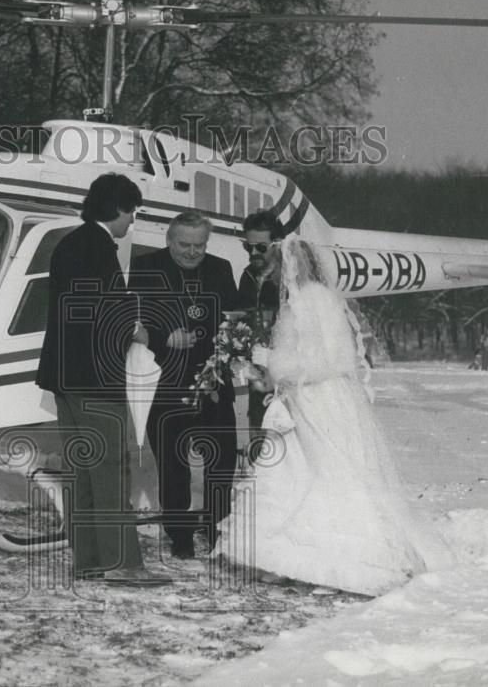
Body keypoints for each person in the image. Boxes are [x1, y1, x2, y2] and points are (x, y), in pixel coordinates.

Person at [215, 237, 452, 596]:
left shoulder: (314, 301)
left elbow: (331, 359)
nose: (273, 273)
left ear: (291, 266)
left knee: (327, 471)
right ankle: (276, 555)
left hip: (320, 398)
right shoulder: (302, 300)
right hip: (303, 396)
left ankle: (320, 553)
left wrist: (277, 371)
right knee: (295, 469)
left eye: (277, 266)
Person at [35, 173, 165, 585]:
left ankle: (89, 560)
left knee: (82, 472)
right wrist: (140, 328)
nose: (132, 222)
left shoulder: (68, 244)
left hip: (63, 376)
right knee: (110, 470)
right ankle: (123, 563)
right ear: (118, 208)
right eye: (132, 212)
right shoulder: (99, 248)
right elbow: (105, 310)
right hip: (94, 379)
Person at [129, 212, 239, 559]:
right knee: (173, 466)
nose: (193, 252)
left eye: (200, 245)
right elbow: (130, 321)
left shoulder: (221, 269)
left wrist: (224, 361)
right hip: (166, 384)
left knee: (221, 463)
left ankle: (215, 527)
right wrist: (165, 339)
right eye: (185, 245)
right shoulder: (145, 267)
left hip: (214, 383)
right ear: (169, 240)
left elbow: (235, 321)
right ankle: (179, 537)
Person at [237, 211, 284, 453]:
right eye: (248, 247)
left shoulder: (290, 276)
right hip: (258, 370)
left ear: (276, 244)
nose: (253, 253)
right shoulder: (247, 276)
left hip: (288, 370)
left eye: (261, 247)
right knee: (258, 426)